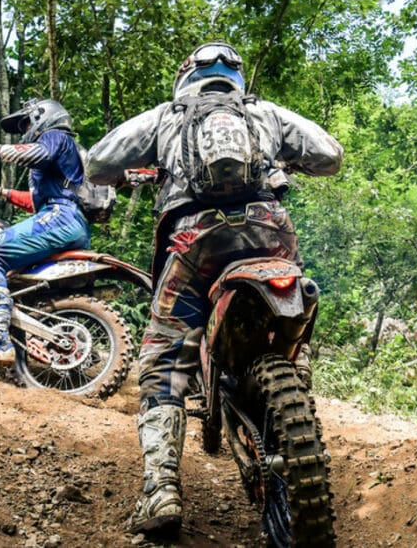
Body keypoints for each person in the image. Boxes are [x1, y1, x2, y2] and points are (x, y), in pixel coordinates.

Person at [86, 42, 343, 535]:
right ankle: (297, 386)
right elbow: (330, 155)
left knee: (163, 361)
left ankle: (160, 490)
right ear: (237, 78)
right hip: (270, 228)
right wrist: (291, 164)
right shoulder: (263, 111)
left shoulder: (168, 115)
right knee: (297, 313)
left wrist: (137, 173)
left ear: (186, 76)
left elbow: (98, 164)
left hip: (195, 238)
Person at [0, 98, 91, 366]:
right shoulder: (57, 155)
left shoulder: (56, 137)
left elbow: (37, 154)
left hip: (60, 218)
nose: (25, 130)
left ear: (42, 116)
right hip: (60, 217)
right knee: (11, 274)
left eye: (26, 123)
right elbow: (37, 202)